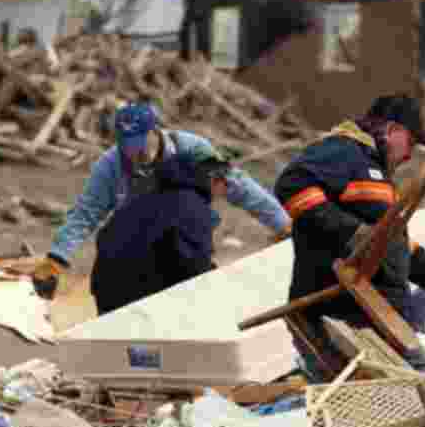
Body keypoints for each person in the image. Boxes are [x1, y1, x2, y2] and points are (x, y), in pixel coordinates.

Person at [274, 93, 425, 379]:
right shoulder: (341, 150)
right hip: (340, 321)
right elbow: (291, 184)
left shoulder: (374, 170)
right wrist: (351, 233)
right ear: (392, 132)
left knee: (421, 391)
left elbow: (388, 242)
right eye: (411, 143)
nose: (410, 155)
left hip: (378, 319)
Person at [32, 102, 292, 297]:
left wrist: (282, 224)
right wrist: (56, 259)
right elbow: (86, 213)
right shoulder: (110, 165)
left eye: (138, 143)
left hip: (182, 244)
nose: (132, 152)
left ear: (154, 131)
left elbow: (239, 186)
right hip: (136, 251)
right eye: (125, 144)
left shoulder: (191, 149)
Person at [89, 153, 232, 315]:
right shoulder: (191, 206)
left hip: (105, 296)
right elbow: (193, 265)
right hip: (140, 303)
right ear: (214, 180)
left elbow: (105, 238)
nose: (225, 191)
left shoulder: (140, 199)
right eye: (226, 184)